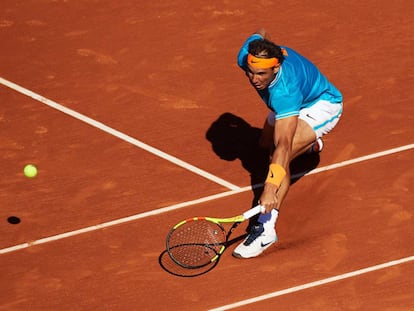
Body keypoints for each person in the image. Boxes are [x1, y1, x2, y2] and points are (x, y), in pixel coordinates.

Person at [232, 28, 343, 259]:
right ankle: (312, 146)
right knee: (262, 146)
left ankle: (266, 228)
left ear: (276, 67)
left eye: (261, 74)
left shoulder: (285, 92)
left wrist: (269, 190)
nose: (254, 79)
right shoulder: (248, 54)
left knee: (277, 156)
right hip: (287, 108)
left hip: (320, 106)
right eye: (250, 72)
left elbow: (283, 145)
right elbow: (259, 33)